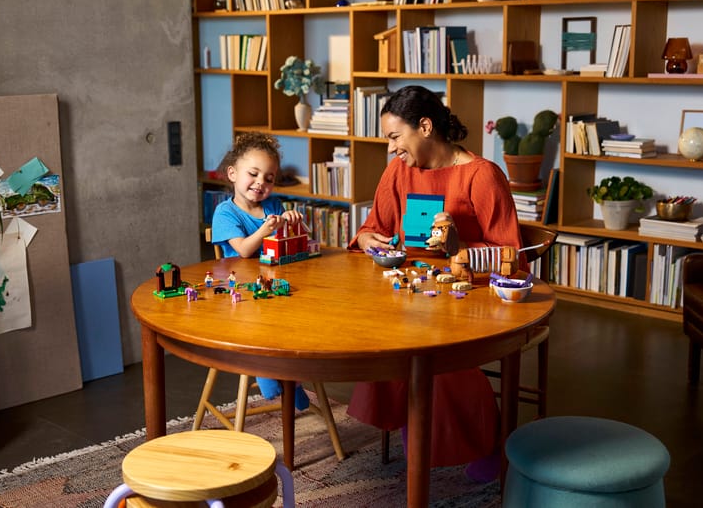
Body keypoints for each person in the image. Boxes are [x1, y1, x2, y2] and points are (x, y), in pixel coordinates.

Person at [347, 85, 524, 481]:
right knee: (378, 334)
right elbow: (371, 228)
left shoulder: (482, 176)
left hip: (469, 295)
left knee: (436, 350)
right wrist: (365, 238)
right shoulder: (398, 171)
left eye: (395, 137)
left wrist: (460, 246)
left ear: (424, 126)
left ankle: (484, 441)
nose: (391, 149)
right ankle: (414, 424)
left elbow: (513, 258)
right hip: (409, 291)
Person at [211, 131, 309, 410]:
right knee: (260, 331)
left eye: (268, 178)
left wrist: (289, 220)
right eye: (253, 174)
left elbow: (284, 242)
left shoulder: (273, 205)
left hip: (274, 284)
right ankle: (270, 378)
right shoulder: (225, 212)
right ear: (232, 173)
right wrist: (267, 229)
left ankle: (294, 381)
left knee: (297, 325)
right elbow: (243, 250)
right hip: (241, 292)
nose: (260, 183)